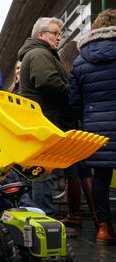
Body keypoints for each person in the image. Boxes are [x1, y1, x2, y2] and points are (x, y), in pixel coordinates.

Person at [68, 9, 116, 243]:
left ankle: (103, 228)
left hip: (95, 126)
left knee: (101, 178)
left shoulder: (80, 60)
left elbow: (74, 101)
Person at [18, 17, 68, 217]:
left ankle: (37, 215)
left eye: (59, 34)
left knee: (39, 171)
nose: (59, 37)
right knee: (43, 172)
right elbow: (48, 82)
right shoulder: (39, 53)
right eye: (55, 33)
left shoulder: (40, 52)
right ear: (40, 35)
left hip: (43, 121)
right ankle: (43, 217)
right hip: (44, 122)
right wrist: (73, 92)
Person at [58, 40, 97, 235]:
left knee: (72, 170)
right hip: (86, 123)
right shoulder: (86, 66)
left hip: (71, 126)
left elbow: (70, 100)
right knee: (85, 172)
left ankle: (74, 217)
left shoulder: (67, 72)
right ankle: (97, 218)